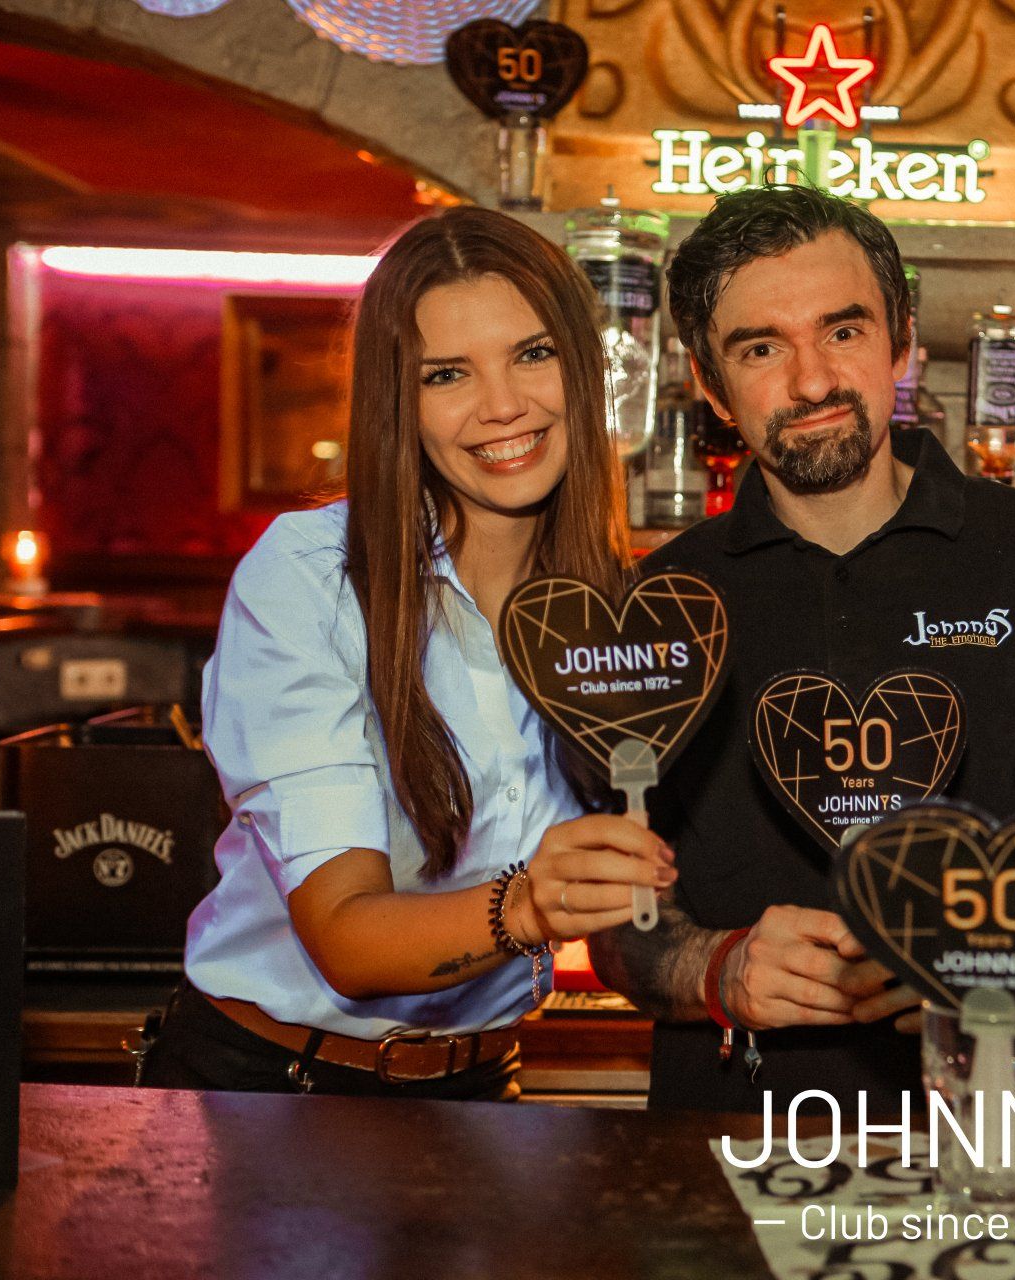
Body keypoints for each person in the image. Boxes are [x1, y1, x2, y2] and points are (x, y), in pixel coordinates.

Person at [588, 184, 1015, 1112]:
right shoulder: (657, 605)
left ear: (901, 341)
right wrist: (715, 967)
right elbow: (617, 919)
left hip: (988, 1125)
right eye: (760, 348)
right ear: (709, 384)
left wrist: (990, 961)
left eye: (843, 330)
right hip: (728, 1135)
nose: (812, 382)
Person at [139, 208, 674, 1100]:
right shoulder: (311, 578)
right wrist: (532, 904)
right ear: (400, 403)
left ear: (584, 370)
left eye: (533, 354)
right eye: (447, 374)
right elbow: (345, 940)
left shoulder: (619, 610)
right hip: (273, 1089)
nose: (503, 404)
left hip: (483, 1086)